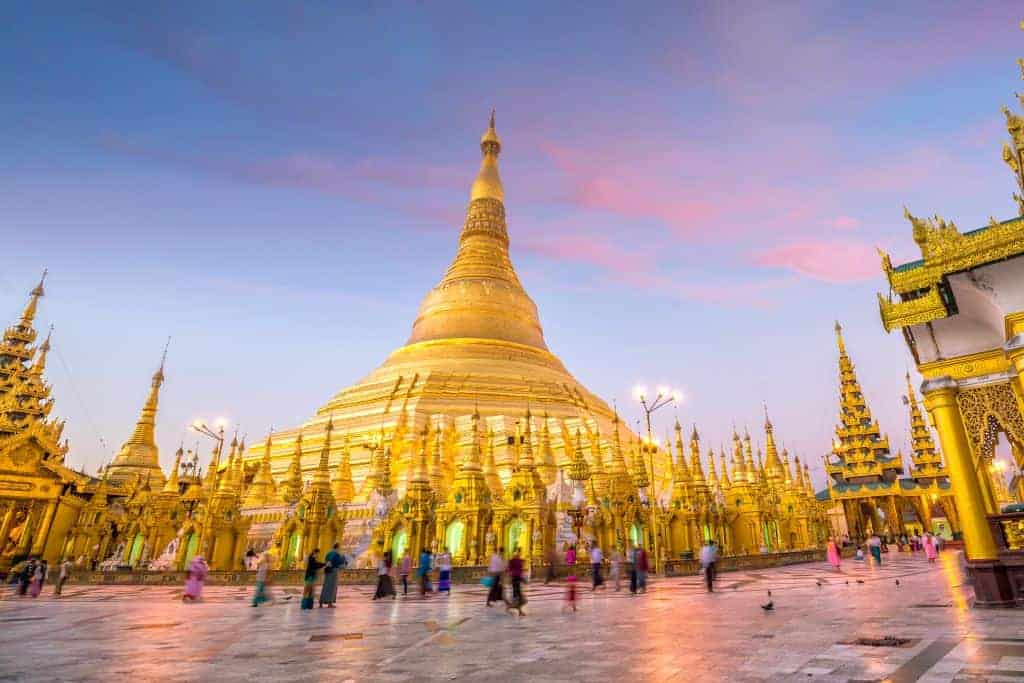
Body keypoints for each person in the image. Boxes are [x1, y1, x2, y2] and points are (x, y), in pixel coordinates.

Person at [320, 543, 344, 607]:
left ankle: (321, 602)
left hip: (328, 571)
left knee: (325, 586)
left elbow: (326, 561)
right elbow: (340, 562)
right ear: (337, 547)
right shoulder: (336, 554)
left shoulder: (328, 553)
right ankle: (329, 603)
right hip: (334, 571)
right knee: (332, 587)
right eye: (339, 547)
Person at [506, 548, 526, 615]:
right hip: (515, 579)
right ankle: (518, 610)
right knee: (518, 595)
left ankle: (511, 607)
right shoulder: (513, 560)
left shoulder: (518, 560)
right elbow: (511, 569)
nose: (518, 554)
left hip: (516, 578)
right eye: (518, 553)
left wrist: (522, 579)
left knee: (517, 595)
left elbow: (520, 570)